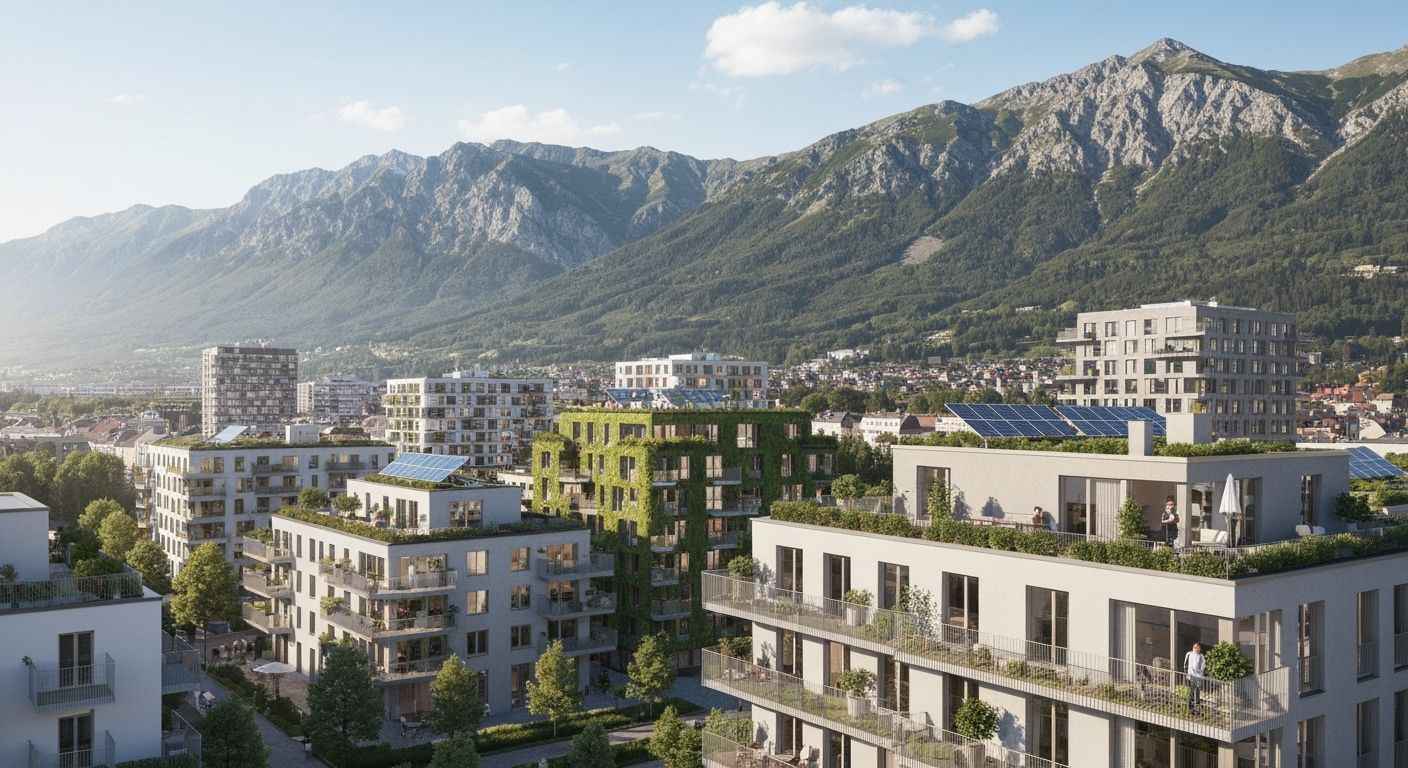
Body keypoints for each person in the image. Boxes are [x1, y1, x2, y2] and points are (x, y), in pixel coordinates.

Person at [1184, 642, 1207, 714]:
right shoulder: (1189, 654)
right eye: (1195, 647)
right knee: (1190, 691)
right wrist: (1186, 674)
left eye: (1198, 647)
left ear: (1200, 649)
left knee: (1196, 691)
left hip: (1198, 677)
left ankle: (1196, 708)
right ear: (1193, 648)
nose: (1196, 649)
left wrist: (1201, 675)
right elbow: (1185, 664)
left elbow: (1203, 667)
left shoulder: (1201, 656)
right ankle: (1190, 708)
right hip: (1190, 676)